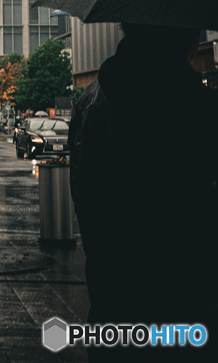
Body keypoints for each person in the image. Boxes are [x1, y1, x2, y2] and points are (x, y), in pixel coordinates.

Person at [70, 23, 218, 356]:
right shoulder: (200, 109)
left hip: (112, 297)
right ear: (190, 40)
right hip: (188, 300)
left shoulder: (92, 102)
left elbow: (82, 193)